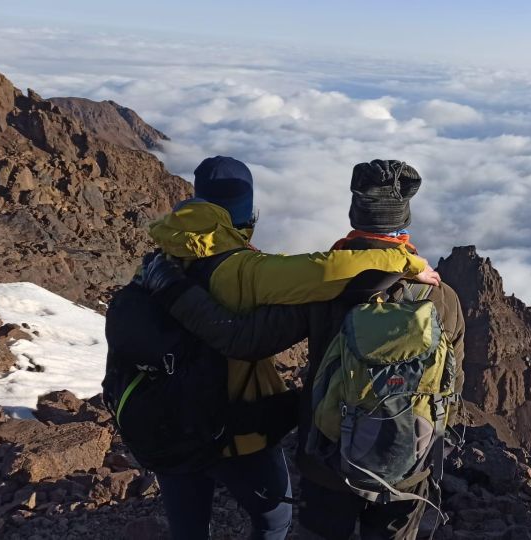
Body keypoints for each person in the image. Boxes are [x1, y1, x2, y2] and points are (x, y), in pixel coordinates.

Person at [142, 159, 464, 540]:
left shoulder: (323, 291)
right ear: (404, 220)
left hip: (328, 459)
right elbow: (452, 381)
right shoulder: (441, 296)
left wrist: (170, 285)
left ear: (354, 213)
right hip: (410, 459)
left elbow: (247, 341)